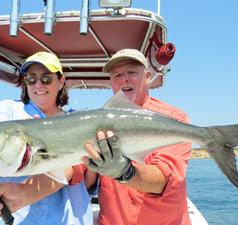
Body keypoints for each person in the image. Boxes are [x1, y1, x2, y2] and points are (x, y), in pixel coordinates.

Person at [0, 52, 92, 225]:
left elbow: (79, 171)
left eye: (46, 79)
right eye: (31, 78)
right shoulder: (9, 110)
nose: (38, 84)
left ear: (60, 82)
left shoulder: (76, 120)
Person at [82, 49, 193, 225]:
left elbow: (164, 180)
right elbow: (86, 181)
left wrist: (124, 171)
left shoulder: (174, 120)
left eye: (132, 72)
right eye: (117, 75)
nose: (124, 79)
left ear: (148, 77)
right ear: (111, 82)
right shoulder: (94, 124)